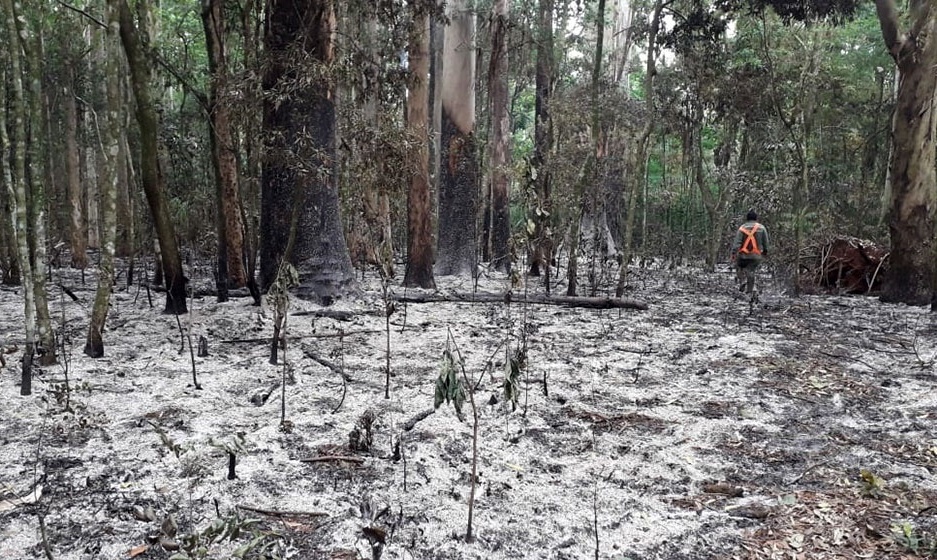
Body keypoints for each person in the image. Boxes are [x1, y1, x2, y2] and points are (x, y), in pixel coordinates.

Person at [731, 210, 769, 294]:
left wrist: (734, 253)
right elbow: (766, 243)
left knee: (739, 266)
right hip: (756, 256)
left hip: (743, 256)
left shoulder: (742, 228)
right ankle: (750, 291)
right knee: (751, 270)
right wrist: (765, 252)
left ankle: (743, 280)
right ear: (756, 218)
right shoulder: (762, 228)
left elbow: (737, 243)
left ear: (747, 218)